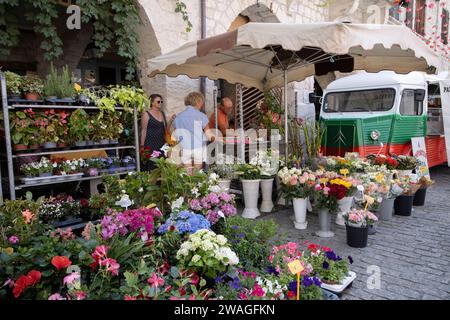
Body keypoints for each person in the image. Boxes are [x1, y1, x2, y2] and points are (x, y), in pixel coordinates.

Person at [173, 92, 215, 174]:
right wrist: (216, 139)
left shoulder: (178, 117)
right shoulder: (201, 116)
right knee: (196, 174)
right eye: (201, 102)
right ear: (198, 102)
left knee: (186, 174)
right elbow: (209, 135)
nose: (202, 105)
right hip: (198, 148)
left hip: (184, 148)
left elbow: (176, 135)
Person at [140, 94, 174, 171]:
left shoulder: (162, 113)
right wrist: (142, 146)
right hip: (150, 144)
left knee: (161, 164)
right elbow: (143, 130)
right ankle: (151, 182)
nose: (160, 103)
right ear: (152, 103)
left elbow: (165, 129)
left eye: (161, 102)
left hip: (161, 144)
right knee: (151, 163)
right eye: (158, 101)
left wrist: (171, 121)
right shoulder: (146, 114)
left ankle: (159, 182)